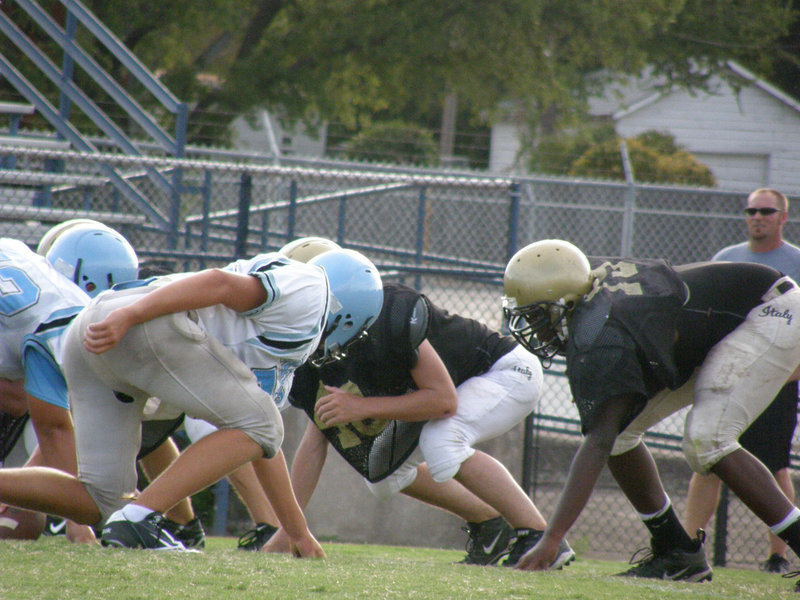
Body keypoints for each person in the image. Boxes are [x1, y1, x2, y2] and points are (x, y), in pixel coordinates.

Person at [0, 247, 382, 555]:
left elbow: (265, 444)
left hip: (96, 334)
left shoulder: (281, 344)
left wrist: (296, 533)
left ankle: (129, 514)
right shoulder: (312, 292)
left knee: (100, 500)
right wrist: (130, 316)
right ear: (349, 314)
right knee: (260, 424)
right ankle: (140, 517)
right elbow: (218, 283)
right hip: (135, 323)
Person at [502, 239, 800, 594]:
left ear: (565, 303)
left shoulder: (602, 330)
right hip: (720, 325)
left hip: (768, 309)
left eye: (539, 316)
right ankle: (676, 553)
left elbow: (598, 440)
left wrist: (552, 538)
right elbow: (608, 435)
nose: (535, 330)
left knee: (708, 439)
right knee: (622, 434)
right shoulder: (584, 291)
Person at [265, 237, 575, 568]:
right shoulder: (323, 341)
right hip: (457, 387)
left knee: (443, 438)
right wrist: (289, 530)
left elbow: (443, 401)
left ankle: (539, 534)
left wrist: (363, 407)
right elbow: (315, 444)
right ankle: (488, 523)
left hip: (505, 372)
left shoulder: (388, 314)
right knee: (384, 476)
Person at [684, 188, 800, 574]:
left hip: (775, 380)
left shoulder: (795, 262)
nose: (757, 217)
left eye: (766, 211)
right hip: (727, 377)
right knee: (708, 461)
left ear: (783, 217)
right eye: (751, 210)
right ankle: (686, 546)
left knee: (774, 465)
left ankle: (779, 556)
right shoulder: (726, 259)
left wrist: (785, 375)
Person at [0, 223, 139, 544]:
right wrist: (79, 520)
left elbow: (31, 407)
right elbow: (53, 428)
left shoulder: (28, 262)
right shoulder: (68, 323)